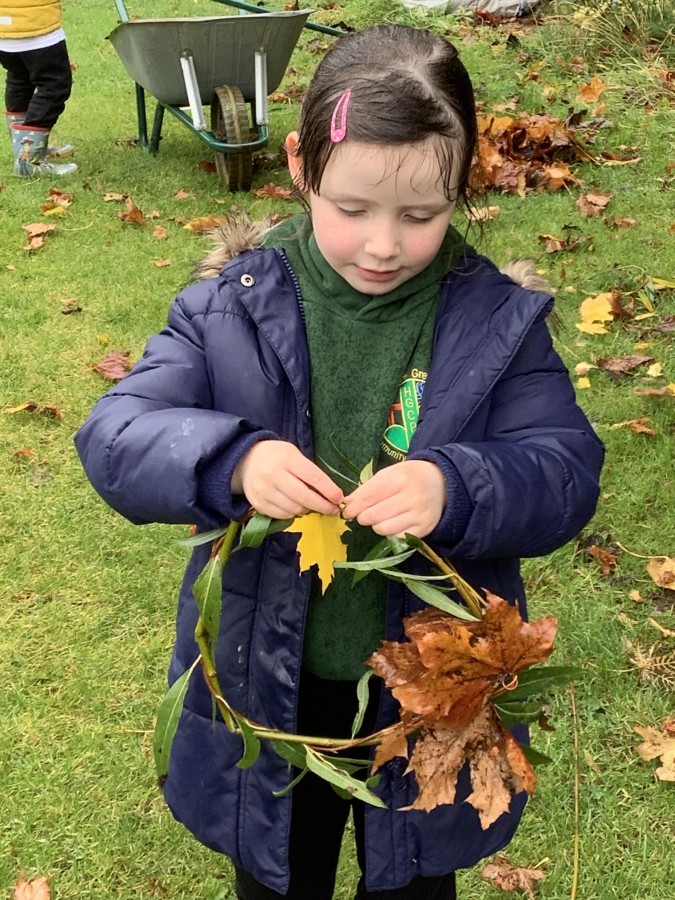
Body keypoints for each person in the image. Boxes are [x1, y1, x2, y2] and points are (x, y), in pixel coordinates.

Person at [75, 23, 604, 900]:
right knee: (281, 872)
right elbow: (118, 433)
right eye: (351, 208)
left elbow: (563, 469)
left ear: (462, 182)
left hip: (432, 687)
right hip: (266, 679)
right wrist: (232, 462)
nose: (382, 244)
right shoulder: (226, 310)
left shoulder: (498, 326)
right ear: (300, 165)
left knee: (413, 878)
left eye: (419, 215)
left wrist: (458, 483)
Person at [0, 0, 77, 176]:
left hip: (4, 24)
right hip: (34, 24)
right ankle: (30, 159)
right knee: (55, 85)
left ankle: (24, 148)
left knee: (20, 78)